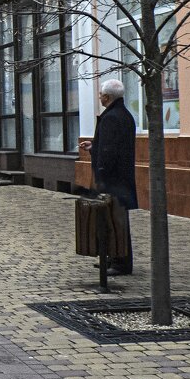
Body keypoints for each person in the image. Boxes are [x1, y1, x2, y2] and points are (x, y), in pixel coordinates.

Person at [80, 78, 137, 275]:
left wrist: (101, 177)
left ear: (107, 96)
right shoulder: (123, 114)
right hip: (119, 178)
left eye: (101, 94)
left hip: (113, 180)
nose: (99, 97)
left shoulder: (112, 117)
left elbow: (110, 151)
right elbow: (110, 147)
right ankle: (113, 257)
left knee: (116, 220)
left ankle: (120, 263)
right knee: (114, 219)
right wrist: (93, 148)